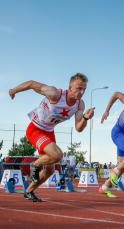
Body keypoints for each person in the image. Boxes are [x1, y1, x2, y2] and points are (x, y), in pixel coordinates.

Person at [9, 73, 94, 202]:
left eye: (84, 89)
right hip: (35, 129)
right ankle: (35, 164)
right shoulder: (55, 94)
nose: (81, 92)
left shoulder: (79, 104)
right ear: (70, 87)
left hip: (49, 132)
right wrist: (13, 90)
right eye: (79, 88)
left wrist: (86, 118)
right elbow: (32, 84)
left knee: (50, 170)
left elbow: (79, 128)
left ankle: (29, 191)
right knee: (58, 155)